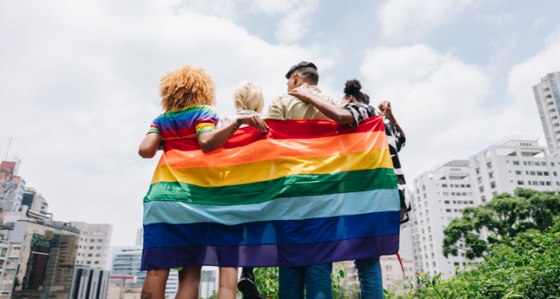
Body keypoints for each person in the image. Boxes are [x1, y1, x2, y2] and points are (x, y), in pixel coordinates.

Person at [138, 65, 268, 299]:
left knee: (156, 269)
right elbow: (207, 142)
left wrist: (168, 140)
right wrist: (237, 123)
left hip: (160, 199)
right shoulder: (203, 111)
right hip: (192, 200)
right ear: (203, 90)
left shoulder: (161, 119)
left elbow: (145, 150)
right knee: (190, 273)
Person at [288, 79, 407, 299]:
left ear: (350, 98)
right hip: (393, 195)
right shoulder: (383, 121)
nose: (343, 107)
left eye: (344, 103)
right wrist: (390, 116)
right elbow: (402, 139)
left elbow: (342, 117)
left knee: (366, 262)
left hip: (370, 194)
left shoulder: (362, 109)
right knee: (369, 258)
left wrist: (309, 97)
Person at [264, 61, 345, 299]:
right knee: (319, 266)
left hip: (289, 193)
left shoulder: (282, 102)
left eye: (289, 81)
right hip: (326, 194)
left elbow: (267, 141)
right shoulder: (335, 104)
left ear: (296, 79)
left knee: (290, 265)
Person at [215, 81, 266, 299]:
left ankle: (238, 276)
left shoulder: (225, 121)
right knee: (256, 233)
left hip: (229, 192)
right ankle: (248, 271)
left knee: (228, 257)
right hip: (258, 191)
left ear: (236, 101)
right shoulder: (267, 125)